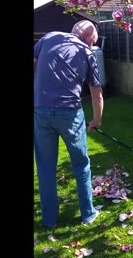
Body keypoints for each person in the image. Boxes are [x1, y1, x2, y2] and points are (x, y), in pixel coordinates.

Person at [33, 20, 103, 228]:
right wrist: (96, 121)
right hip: (70, 114)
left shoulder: (50, 37)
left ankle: (49, 220)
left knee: (45, 167)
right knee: (81, 164)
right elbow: (96, 93)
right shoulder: (87, 53)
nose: (91, 47)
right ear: (88, 38)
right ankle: (88, 214)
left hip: (41, 111)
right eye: (92, 42)